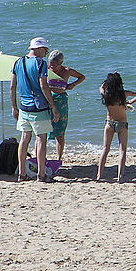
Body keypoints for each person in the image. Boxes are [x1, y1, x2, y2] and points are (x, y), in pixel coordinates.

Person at [8, 38, 55, 180]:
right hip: (38, 107)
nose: (45, 54)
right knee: (41, 139)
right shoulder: (41, 64)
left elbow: (12, 86)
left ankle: (22, 173)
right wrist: (53, 106)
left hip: (23, 107)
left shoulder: (18, 62)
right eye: (45, 51)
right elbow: (43, 86)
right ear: (39, 48)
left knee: (24, 138)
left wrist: (14, 106)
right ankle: (41, 174)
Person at [42, 48, 85, 178]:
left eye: (54, 65)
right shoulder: (46, 70)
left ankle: (58, 159)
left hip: (61, 102)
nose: (51, 67)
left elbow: (82, 77)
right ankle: (42, 158)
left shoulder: (67, 71)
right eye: (50, 64)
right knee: (44, 131)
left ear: (60, 63)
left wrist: (73, 85)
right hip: (48, 101)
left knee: (60, 132)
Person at [97, 73, 136, 181]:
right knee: (122, 150)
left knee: (105, 149)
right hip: (122, 124)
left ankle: (99, 175)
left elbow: (101, 87)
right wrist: (129, 102)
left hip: (109, 123)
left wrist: (107, 82)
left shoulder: (106, 94)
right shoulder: (123, 94)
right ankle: (120, 176)